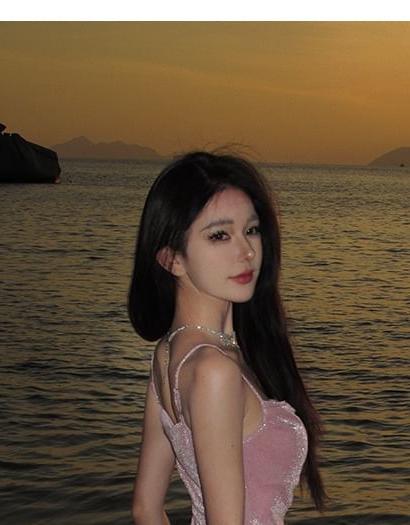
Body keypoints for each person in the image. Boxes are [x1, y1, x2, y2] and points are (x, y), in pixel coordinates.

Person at [128, 151, 326, 524]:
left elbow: (145, 508)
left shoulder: (170, 354)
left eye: (251, 230)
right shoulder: (213, 370)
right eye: (219, 235)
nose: (247, 251)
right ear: (172, 259)